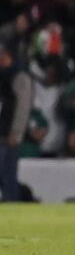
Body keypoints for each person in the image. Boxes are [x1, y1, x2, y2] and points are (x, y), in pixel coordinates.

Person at [0, 42, 33, 202]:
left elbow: (23, 106)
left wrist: (17, 132)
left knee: (7, 174)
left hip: (8, 135)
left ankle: (10, 204)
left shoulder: (19, 76)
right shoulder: (4, 75)